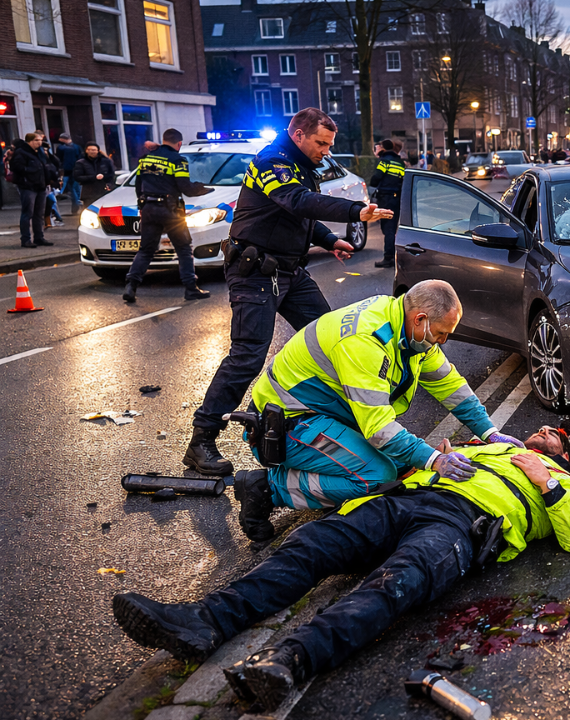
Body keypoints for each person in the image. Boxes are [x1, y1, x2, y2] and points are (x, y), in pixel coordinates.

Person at [113, 426, 570, 711]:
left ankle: (289, 659)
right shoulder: (484, 448)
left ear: (564, 455)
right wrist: (436, 460)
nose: (543, 433)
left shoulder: (565, 482)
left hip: (461, 526)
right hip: (407, 502)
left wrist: (546, 484)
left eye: (554, 435)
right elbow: (413, 467)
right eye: (541, 429)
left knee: (395, 584)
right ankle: (206, 621)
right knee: (312, 543)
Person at [184, 107, 394, 477]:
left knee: (331, 337)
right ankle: (201, 441)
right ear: (298, 134)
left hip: (288, 271)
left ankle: (344, 419)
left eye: (330, 144)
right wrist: (355, 212)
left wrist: (330, 240)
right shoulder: (272, 161)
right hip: (255, 271)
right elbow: (296, 202)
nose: (327, 151)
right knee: (247, 355)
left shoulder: (300, 165)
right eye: (321, 143)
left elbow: (300, 216)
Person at [232, 279, 527, 541]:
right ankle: (267, 488)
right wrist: (435, 460)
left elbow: (450, 385)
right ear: (421, 319)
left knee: (404, 464)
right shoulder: (366, 341)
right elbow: (379, 430)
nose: (442, 342)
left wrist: (490, 432)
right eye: (440, 333)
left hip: (319, 415)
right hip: (286, 425)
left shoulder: (408, 330)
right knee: (378, 474)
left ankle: (316, 478)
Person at [123, 128, 216, 303]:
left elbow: (139, 185)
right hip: (170, 211)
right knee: (183, 248)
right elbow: (185, 187)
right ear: (179, 144)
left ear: (164, 140)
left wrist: (142, 206)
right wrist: (204, 188)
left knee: (145, 250)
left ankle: (131, 285)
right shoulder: (177, 160)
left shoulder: (146, 158)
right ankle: (191, 288)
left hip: (149, 209)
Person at [10, 132, 56, 248]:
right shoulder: (21, 152)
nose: (39, 142)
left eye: (40, 140)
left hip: (40, 186)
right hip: (28, 186)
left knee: (39, 213)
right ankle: (25, 239)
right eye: (36, 140)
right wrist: (30, 170)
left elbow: (48, 165)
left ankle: (39, 237)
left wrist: (49, 179)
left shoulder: (40, 152)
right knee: (28, 213)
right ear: (29, 141)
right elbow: (16, 167)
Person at [368, 139, 405, 269]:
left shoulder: (385, 161)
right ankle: (393, 255)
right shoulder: (400, 162)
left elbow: (376, 177)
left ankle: (388, 258)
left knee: (387, 228)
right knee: (392, 227)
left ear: (383, 148)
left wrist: (372, 183)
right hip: (396, 198)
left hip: (386, 198)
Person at [73, 142, 117, 206]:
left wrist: (108, 182)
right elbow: (77, 177)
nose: (91, 152)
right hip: (88, 193)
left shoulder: (106, 161)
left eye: (93, 150)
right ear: (86, 151)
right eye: (89, 150)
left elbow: (112, 174)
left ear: (98, 151)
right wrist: (94, 177)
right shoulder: (80, 163)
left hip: (104, 192)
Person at [54, 133, 82, 214]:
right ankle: (77, 201)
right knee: (76, 187)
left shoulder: (61, 148)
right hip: (77, 168)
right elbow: (80, 157)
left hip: (66, 169)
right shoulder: (76, 147)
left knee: (70, 187)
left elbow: (58, 159)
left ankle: (75, 203)